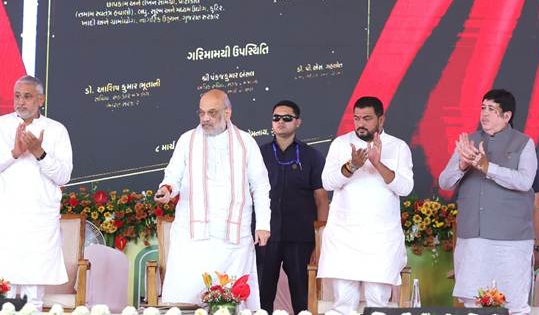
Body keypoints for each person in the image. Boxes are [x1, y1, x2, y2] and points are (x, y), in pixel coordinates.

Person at [154, 89, 271, 309]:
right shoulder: (187, 140)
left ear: (228, 113)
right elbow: (173, 176)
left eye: (212, 112)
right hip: (192, 237)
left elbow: (260, 185)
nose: (205, 118)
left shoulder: (246, 142)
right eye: (202, 113)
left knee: (231, 300)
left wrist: (263, 224)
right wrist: (166, 189)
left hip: (233, 239)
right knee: (185, 296)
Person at [0, 75, 73, 309]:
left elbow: (63, 176)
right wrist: (14, 153)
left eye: (27, 96)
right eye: (17, 96)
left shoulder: (56, 130)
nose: (21, 102)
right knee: (0, 294)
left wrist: (39, 153)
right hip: (4, 221)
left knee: (33, 298)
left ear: (41, 100)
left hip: (38, 222)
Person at [438, 89, 537, 315]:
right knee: (472, 303)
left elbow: (524, 181)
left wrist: (487, 167)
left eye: (492, 109)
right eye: (483, 108)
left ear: (507, 116)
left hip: (511, 240)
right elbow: (444, 182)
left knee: (514, 304)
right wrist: (462, 165)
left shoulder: (524, 143)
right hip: (473, 238)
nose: (484, 114)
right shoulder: (469, 142)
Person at [318, 96, 414, 315]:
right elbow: (327, 182)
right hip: (344, 236)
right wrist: (352, 166)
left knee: (377, 304)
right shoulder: (340, 144)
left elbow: (405, 188)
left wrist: (377, 163)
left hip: (381, 239)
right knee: (343, 305)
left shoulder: (398, 147)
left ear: (381, 119)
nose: (360, 124)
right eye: (357, 118)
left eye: (367, 118)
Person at [257, 100, 328, 314]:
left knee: (302, 298)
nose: (280, 122)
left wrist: (319, 241)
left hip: (300, 237)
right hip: (265, 236)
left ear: (298, 122)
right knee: (260, 297)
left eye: (287, 118)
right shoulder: (258, 154)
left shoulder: (311, 156)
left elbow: (321, 199)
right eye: (276, 118)